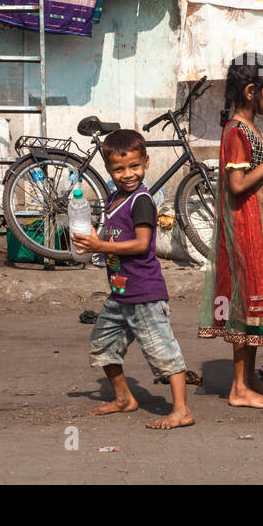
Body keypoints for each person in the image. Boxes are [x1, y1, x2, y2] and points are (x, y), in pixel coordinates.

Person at [73, 129, 195, 430]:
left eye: (134, 166)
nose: (128, 174)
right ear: (108, 170)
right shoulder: (114, 199)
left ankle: (181, 410)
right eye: (119, 169)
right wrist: (93, 238)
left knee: (164, 354)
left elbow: (141, 244)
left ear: (146, 162)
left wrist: (101, 246)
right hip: (120, 295)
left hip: (145, 294)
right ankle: (124, 398)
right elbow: (113, 236)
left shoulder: (141, 200)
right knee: (102, 345)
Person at [198, 53, 263, 409]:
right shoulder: (236, 131)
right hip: (245, 232)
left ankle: (249, 377)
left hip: (258, 230)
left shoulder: (248, 127)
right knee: (244, 307)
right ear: (252, 91)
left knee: (253, 308)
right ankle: (238, 388)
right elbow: (237, 184)